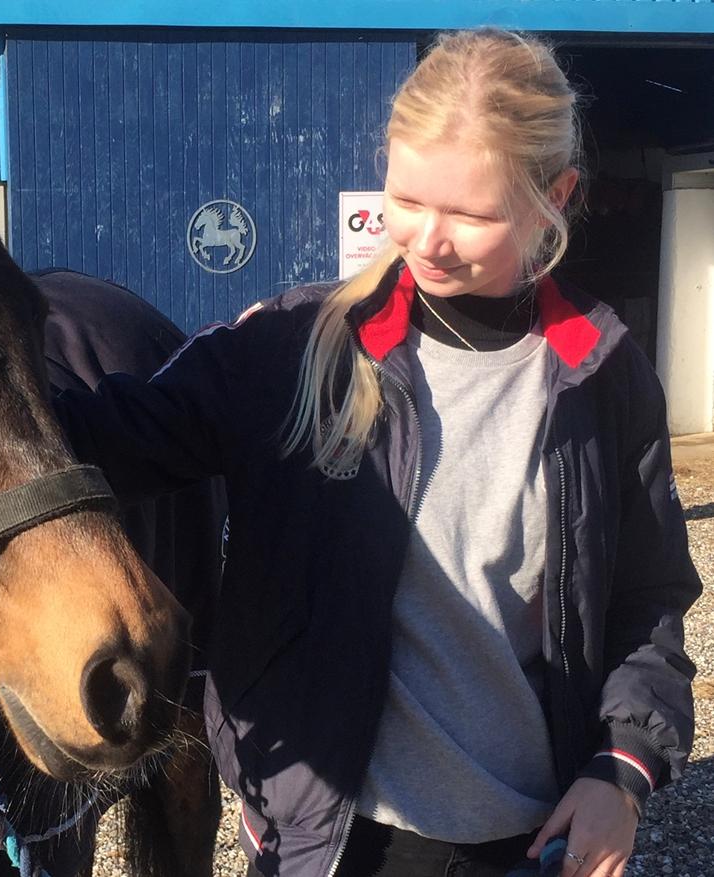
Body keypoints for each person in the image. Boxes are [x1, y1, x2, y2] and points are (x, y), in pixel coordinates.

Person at [54, 28, 702, 877]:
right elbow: (102, 437)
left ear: (557, 194)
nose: (428, 239)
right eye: (407, 200)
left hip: (531, 839)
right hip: (330, 839)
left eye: (471, 214)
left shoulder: (602, 373)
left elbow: (648, 599)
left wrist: (619, 771)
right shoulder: (293, 348)